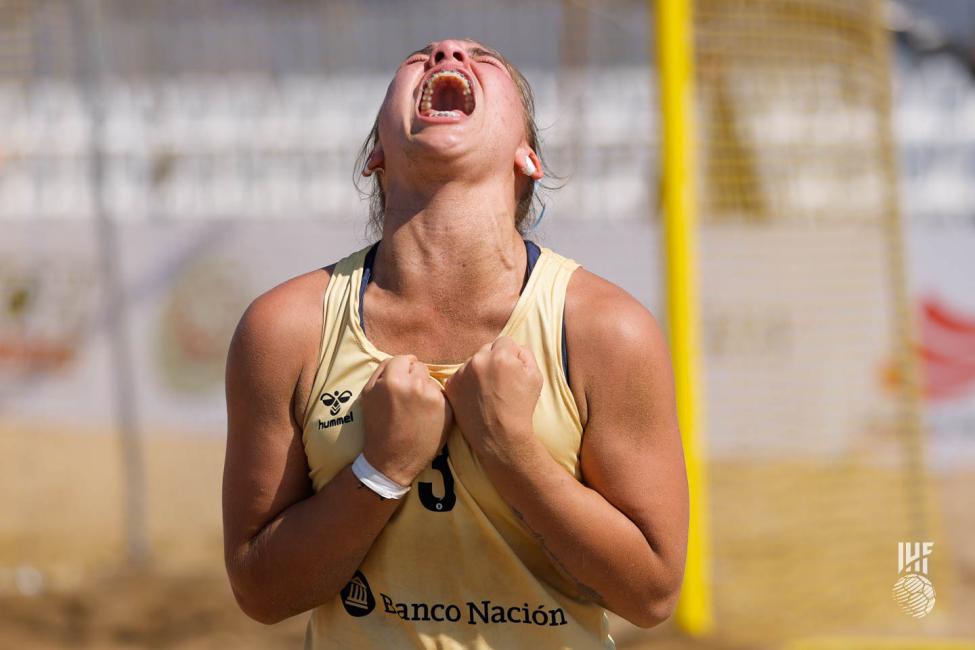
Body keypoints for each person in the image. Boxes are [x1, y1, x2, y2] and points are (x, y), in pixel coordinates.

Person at [222, 39, 688, 649]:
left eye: (485, 59)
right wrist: (380, 470)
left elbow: (651, 594)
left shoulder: (605, 330)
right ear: (375, 155)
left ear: (529, 157)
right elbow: (261, 593)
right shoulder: (286, 330)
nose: (447, 53)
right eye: (419, 57)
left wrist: (512, 452)